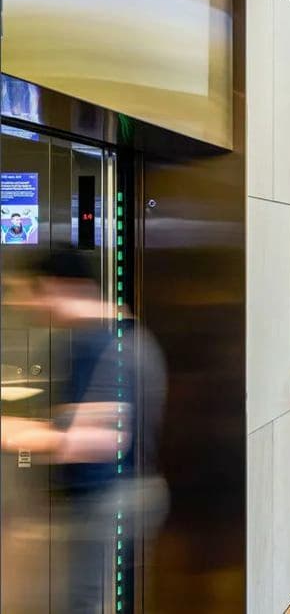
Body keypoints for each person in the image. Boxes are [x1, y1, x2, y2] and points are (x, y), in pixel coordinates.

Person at [0, 250, 167, 613]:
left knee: (83, 604)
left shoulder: (102, 344)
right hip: (117, 498)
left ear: (57, 287)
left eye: (29, 291)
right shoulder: (120, 334)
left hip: (104, 503)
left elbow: (104, 439)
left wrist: (15, 434)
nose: (22, 302)